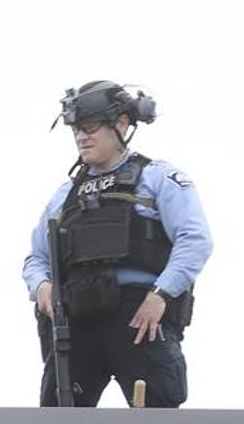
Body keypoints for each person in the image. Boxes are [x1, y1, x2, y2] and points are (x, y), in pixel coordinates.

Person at [23, 81, 212, 407]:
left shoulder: (157, 178)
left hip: (139, 316)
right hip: (76, 319)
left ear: (122, 124)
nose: (81, 136)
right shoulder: (65, 195)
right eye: (76, 130)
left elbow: (195, 240)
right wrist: (41, 288)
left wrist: (161, 294)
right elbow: (36, 257)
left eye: (90, 127)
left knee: (157, 419)